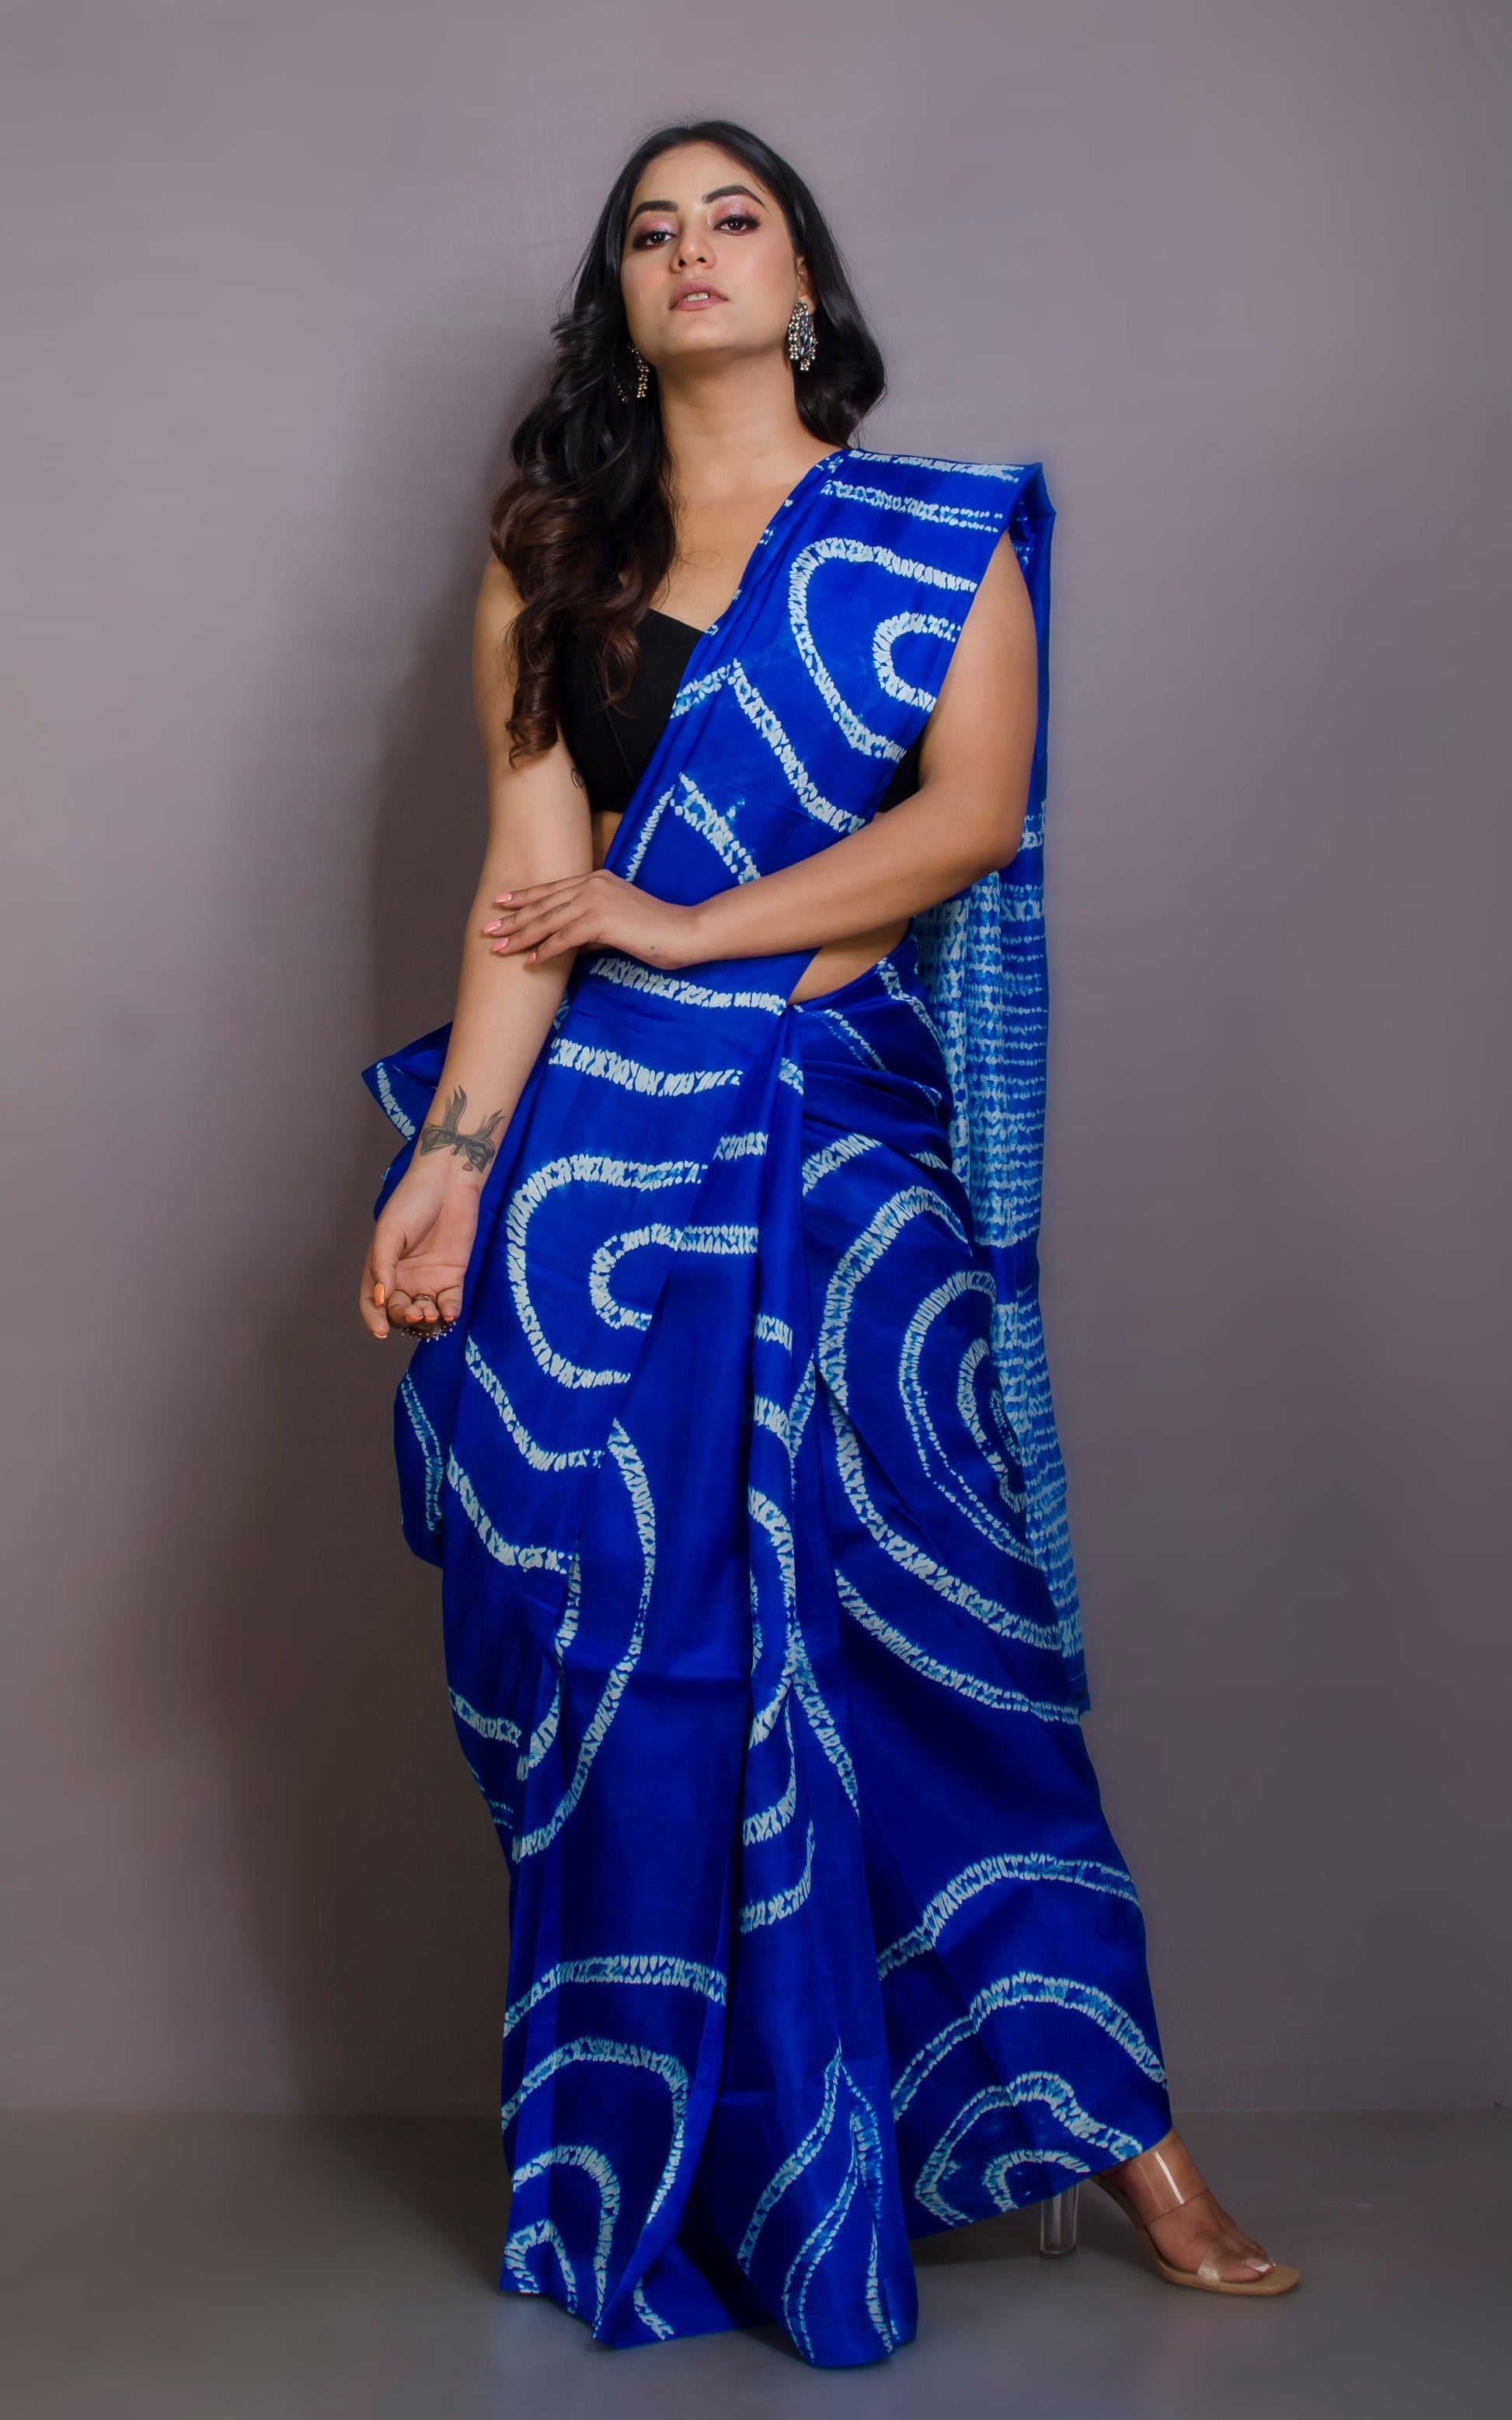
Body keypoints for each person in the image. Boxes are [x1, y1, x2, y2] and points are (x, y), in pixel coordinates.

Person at [358, 117, 1298, 2366]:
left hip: (840, 1145)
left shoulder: (927, 540)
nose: (693, 251)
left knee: (938, 1640)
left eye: (735, 219)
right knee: (625, 1651)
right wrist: (452, 1156)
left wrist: (698, 923)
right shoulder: (551, 567)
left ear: (802, 283)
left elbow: (967, 815)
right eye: (651, 230)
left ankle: (1124, 2133)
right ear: (621, 301)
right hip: (603, 1167)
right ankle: (675, 2160)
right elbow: (529, 887)